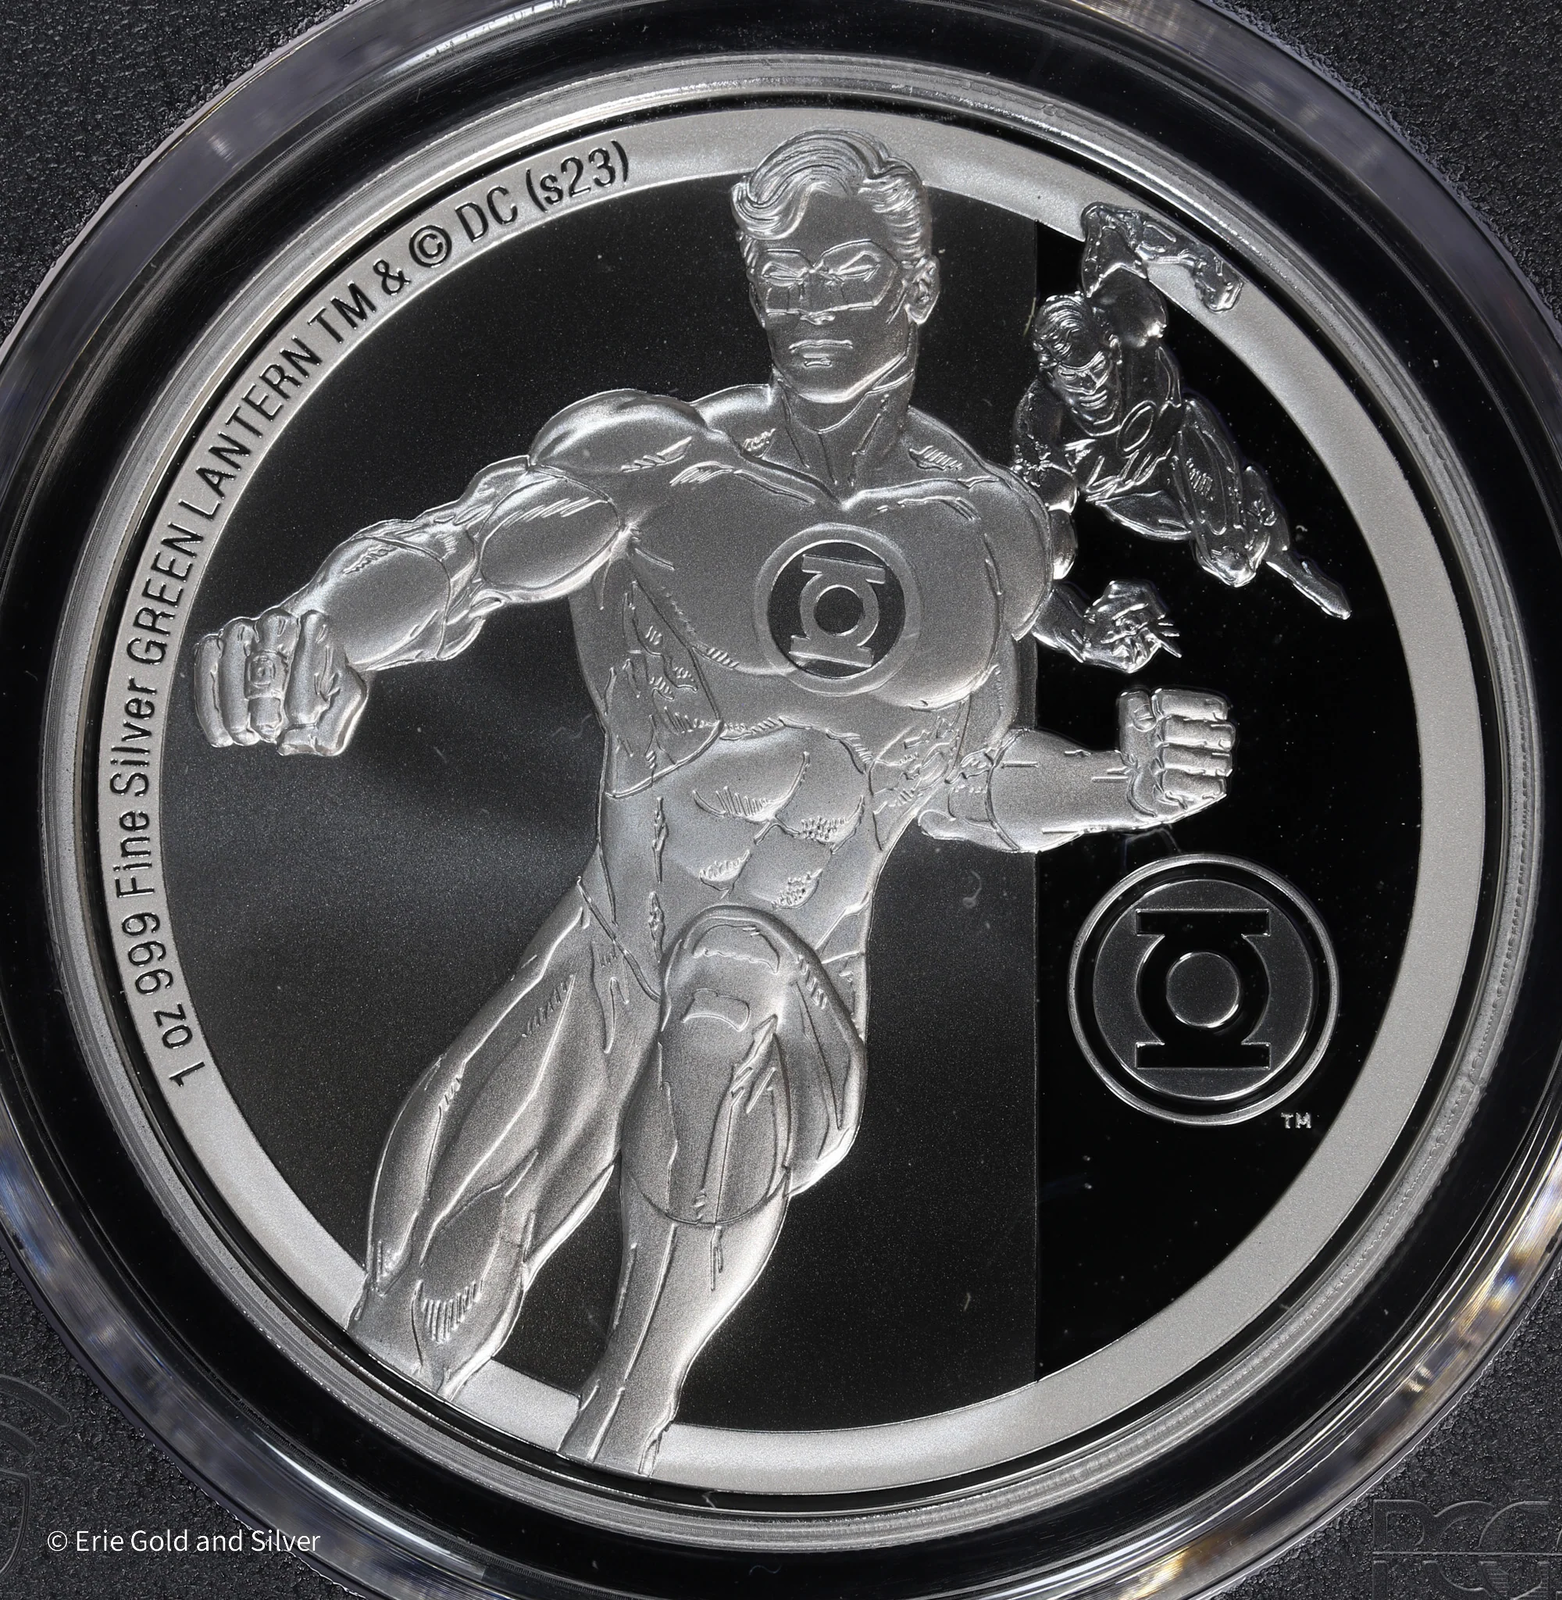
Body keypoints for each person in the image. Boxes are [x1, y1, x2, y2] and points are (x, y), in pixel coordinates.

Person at [192, 130, 1235, 1477]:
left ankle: (628, 1431)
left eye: (847, 275)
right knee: (415, 1315)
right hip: (611, 953)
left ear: (918, 283)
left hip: (795, 989)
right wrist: (316, 630)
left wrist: (1118, 785)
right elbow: (455, 559)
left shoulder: (990, 535)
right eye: (784, 279)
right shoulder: (659, 466)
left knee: (723, 996)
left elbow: (963, 779)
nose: (813, 307)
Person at [1014, 202, 1351, 622]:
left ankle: (1281, 555)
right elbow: (1044, 516)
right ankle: (1263, 534)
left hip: (1177, 433)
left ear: (1111, 346)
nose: (1095, 388)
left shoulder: (1131, 320)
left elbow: (1110, 223)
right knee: (1230, 555)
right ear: (1052, 377)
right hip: (1133, 495)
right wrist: (1049, 572)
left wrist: (1199, 258)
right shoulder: (1042, 427)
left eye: (1098, 369)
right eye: (1077, 381)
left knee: (1229, 554)